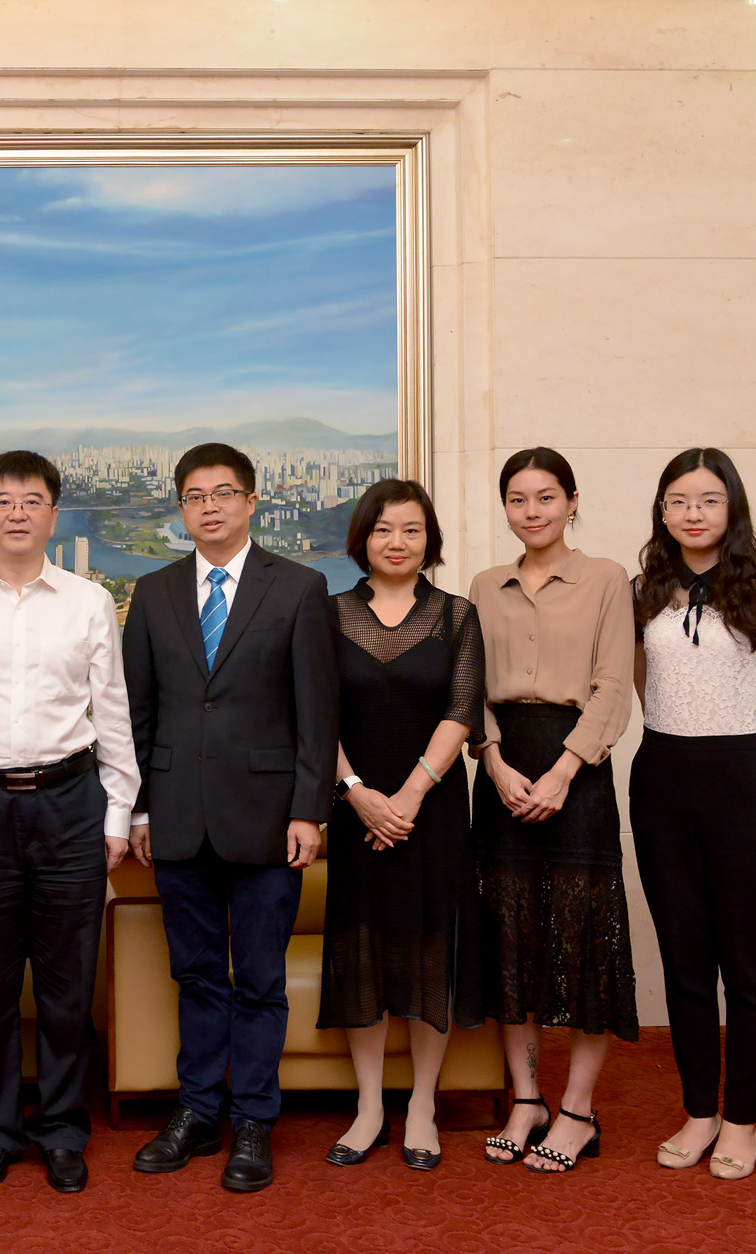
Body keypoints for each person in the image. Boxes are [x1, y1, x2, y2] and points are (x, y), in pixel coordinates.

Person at [0, 451, 140, 1194]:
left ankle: (64, 1130)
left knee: (68, 983)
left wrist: (117, 812)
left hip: (70, 804)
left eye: (32, 500)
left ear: (53, 514)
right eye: (3, 500)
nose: (17, 512)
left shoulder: (88, 601)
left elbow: (113, 714)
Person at [122, 442, 338, 1194]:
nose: (208, 506)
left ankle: (253, 1120)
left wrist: (310, 810)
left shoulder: (301, 587)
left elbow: (318, 711)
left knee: (261, 981)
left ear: (251, 501)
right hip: (177, 816)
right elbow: (138, 711)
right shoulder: (152, 592)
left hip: (270, 820)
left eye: (222, 493)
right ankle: (196, 1112)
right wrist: (140, 806)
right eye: (194, 496)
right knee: (197, 975)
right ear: (181, 509)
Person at [630, 448, 756, 1182]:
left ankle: (742, 1118)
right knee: (684, 960)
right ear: (662, 510)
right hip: (663, 780)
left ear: (731, 507)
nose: (692, 513)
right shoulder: (645, 589)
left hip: (746, 780)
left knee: (748, 962)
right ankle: (700, 1110)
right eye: (677, 500)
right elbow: (644, 683)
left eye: (708, 499)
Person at [468, 447, 637, 1174]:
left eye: (545, 496)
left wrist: (565, 770)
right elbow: (469, 687)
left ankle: (578, 1110)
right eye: (517, 498)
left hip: (579, 773)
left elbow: (613, 684)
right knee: (512, 941)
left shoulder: (606, 579)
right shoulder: (484, 585)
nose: (531, 511)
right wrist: (493, 761)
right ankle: (527, 1099)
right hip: (503, 772)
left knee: (584, 945)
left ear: (572, 501)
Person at [319, 480, 485, 1173]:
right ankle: (368, 1106)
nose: (397, 542)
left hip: (432, 810)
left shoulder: (456, 615)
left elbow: (462, 709)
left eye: (411, 530)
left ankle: (421, 1104)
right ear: (362, 537)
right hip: (354, 808)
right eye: (383, 529)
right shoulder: (328, 613)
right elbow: (315, 715)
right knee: (361, 950)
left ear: (429, 539)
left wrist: (410, 795)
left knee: (429, 947)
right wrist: (358, 793)